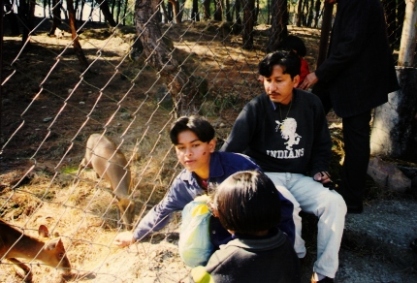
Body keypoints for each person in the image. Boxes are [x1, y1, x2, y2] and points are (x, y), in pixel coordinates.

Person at [221, 50, 347, 283]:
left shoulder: (311, 104)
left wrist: (319, 169)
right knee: (288, 202)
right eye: (268, 81)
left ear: (296, 80)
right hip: (266, 177)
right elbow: (231, 149)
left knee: (335, 203)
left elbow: (322, 144)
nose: (272, 87)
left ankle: (324, 273)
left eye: (279, 80)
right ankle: (294, 258)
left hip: (300, 176)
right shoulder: (255, 108)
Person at [113, 115, 295, 261]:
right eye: (181, 148)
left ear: (211, 145)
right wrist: (136, 235)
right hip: (222, 247)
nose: (188, 153)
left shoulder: (239, 167)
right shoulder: (184, 181)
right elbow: (163, 209)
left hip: (258, 242)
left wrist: (281, 246)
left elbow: (279, 206)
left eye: (195, 145)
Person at [299, 0, 399, 214]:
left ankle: (350, 200)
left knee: (355, 135)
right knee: (309, 115)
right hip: (345, 74)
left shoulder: (358, 3)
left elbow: (350, 45)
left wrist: (319, 74)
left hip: (359, 78)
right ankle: (304, 174)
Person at [190, 170, 301, 283]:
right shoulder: (284, 242)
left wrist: (196, 273)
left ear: (232, 215)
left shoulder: (227, 258)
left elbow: (208, 278)